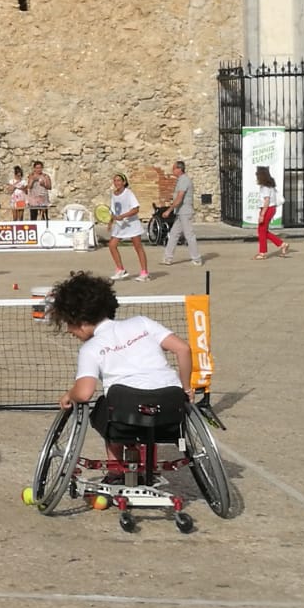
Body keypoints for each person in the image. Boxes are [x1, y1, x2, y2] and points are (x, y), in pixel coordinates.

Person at [49, 270, 193, 466]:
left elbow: (84, 393)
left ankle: (116, 470)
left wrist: (68, 395)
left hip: (124, 418)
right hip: (170, 409)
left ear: (79, 321)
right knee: (142, 408)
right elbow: (183, 349)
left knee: (105, 408)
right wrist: (186, 389)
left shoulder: (90, 349)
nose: (68, 330)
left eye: (68, 323)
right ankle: (147, 463)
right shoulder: (142, 322)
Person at [106, 173, 150, 282]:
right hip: (120, 225)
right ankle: (120, 270)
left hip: (132, 224)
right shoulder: (114, 194)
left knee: (138, 247)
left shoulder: (129, 193)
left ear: (124, 182)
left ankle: (144, 273)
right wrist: (111, 222)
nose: (117, 183)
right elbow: (113, 210)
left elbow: (136, 209)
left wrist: (123, 216)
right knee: (112, 245)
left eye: (119, 180)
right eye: (115, 180)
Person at [160, 160, 203, 267]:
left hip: (185, 212)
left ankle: (196, 258)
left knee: (189, 235)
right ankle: (167, 258)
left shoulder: (184, 180)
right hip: (180, 212)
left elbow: (180, 198)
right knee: (174, 234)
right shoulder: (180, 180)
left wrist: (169, 210)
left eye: (174, 168)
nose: (172, 170)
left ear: (179, 169)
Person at [253, 166, 287, 259]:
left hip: (267, 209)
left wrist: (262, 215)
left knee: (261, 231)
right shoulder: (270, 186)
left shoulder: (265, 187)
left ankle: (262, 252)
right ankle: (281, 244)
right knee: (263, 231)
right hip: (271, 209)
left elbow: (266, 201)